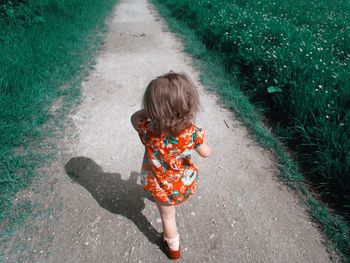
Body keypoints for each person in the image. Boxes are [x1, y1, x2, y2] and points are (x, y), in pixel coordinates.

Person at [131, 72, 211, 260]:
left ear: (153, 110)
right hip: (183, 184)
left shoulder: (147, 131)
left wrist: (149, 113)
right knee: (170, 209)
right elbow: (206, 153)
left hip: (160, 187)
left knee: (168, 217)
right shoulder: (192, 133)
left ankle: (173, 248)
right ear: (189, 105)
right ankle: (172, 245)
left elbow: (134, 118)